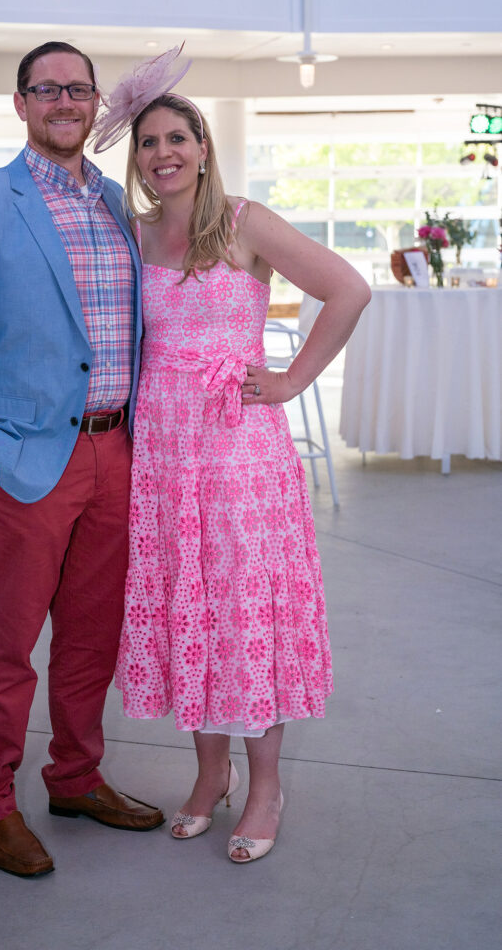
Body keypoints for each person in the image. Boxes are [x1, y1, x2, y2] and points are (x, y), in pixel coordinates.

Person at [91, 48, 371, 864]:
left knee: (246, 609)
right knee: (192, 607)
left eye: (177, 138)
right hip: (164, 455)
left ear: (204, 146)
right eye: (149, 142)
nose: (163, 153)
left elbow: (348, 288)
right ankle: (210, 776)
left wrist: (289, 382)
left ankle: (267, 785)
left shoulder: (243, 222)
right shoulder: (137, 232)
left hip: (239, 455)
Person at [0, 41, 165, 879]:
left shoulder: (117, 207)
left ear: (96, 103)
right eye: (46, 89)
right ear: (20, 103)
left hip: (116, 453)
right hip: (23, 462)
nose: (64, 101)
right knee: (8, 644)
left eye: (78, 88)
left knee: (92, 638)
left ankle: (75, 779)